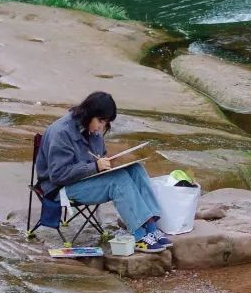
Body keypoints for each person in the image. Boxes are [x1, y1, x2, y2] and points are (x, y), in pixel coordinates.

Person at [34, 92, 170, 253]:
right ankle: (139, 234)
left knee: (135, 169)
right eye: (100, 121)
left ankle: (152, 227)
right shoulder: (61, 132)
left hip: (84, 179)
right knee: (118, 180)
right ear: (89, 114)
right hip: (59, 188)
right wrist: (95, 167)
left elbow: (98, 156)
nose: (101, 127)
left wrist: (105, 163)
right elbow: (58, 175)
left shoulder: (93, 130)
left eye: (105, 122)